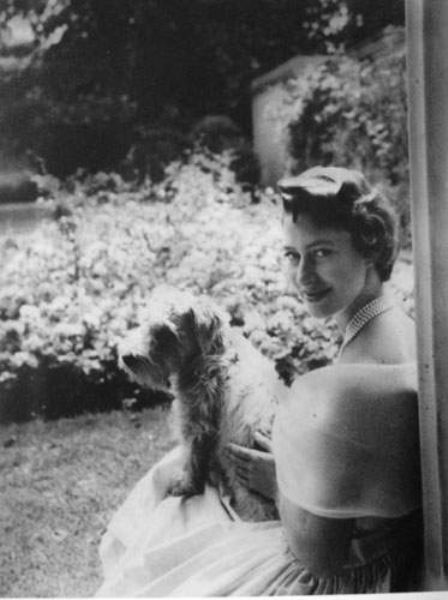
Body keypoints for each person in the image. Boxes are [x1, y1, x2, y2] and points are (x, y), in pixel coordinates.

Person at [96, 166, 422, 596]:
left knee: (170, 532)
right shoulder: (399, 326)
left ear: (371, 246)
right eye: (292, 255)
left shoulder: (354, 375)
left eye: (322, 252)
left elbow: (319, 557)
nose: (302, 276)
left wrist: (280, 481)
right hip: (389, 549)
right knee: (172, 478)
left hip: (342, 579)